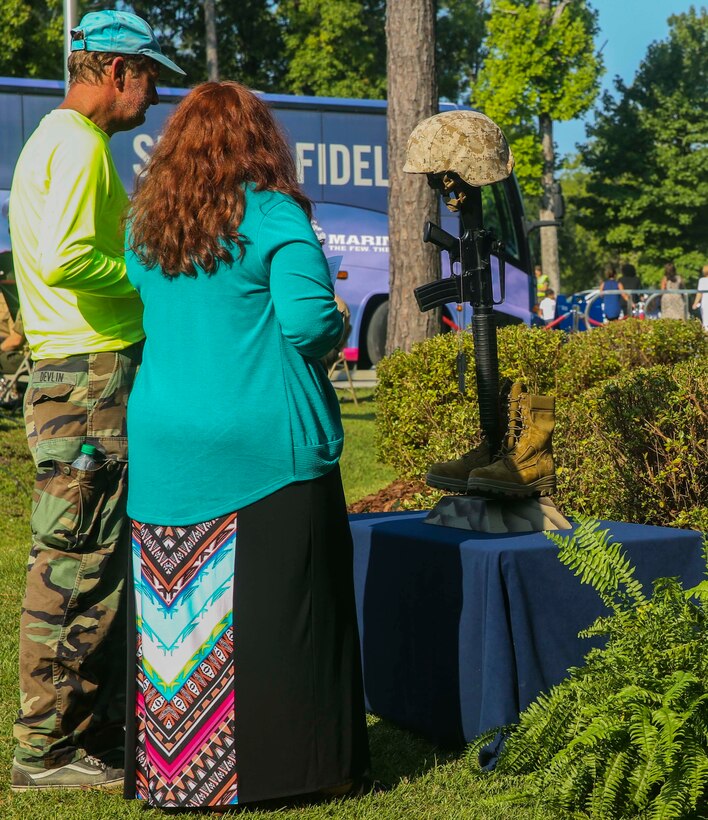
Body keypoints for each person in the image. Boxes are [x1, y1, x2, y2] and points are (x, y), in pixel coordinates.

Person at [123, 81, 371, 809]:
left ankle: (179, 775)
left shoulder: (147, 227)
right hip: (262, 448)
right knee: (284, 620)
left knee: (175, 621)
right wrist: (340, 315)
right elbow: (305, 324)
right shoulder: (273, 215)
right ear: (260, 141)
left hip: (166, 442)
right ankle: (299, 770)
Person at [8, 10, 184, 792]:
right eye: (149, 76)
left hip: (72, 372)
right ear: (115, 71)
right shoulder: (78, 146)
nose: (155, 95)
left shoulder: (53, 140)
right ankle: (45, 752)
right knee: (76, 566)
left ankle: (85, 737)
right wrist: (150, 283)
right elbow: (73, 257)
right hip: (88, 376)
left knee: (86, 556)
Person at [693, 264, 708, 331]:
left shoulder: (702, 280)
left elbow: (699, 293)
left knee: (706, 321)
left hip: (705, 302)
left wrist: (695, 303)